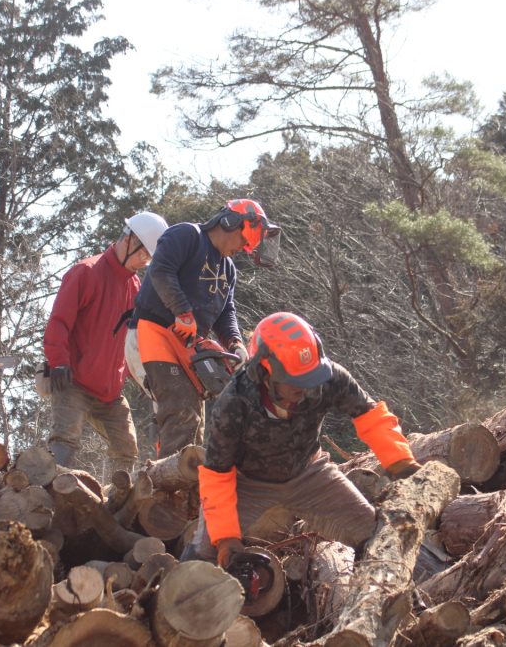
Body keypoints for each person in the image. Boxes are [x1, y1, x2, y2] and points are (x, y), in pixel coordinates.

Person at [188, 312, 421, 568]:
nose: (305, 387)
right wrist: (225, 538)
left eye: (310, 378)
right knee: (203, 556)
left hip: (310, 474)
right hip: (248, 484)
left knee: (375, 534)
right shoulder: (234, 402)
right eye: (295, 381)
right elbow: (217, 473)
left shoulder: (330, 378)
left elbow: (369, 414)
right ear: (264, 370)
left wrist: (400, 462)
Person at [131, 199, 279, 458]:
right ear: (230, 223)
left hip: (187, 342)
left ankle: (182, 474)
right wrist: (182, 311)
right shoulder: (187, 235)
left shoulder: (228, 269)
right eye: (243, 241)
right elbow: (162, 271)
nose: (241, 249)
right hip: (154, 330)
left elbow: (226, 311)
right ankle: (167, 479)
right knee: (180, 407)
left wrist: (234, 341)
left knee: (194, 418)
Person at [44, 212, 168, 473]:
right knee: (64, 442)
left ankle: (116, 498)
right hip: (73, 381)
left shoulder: (136, 288)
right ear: (130, 239)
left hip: (110, 392)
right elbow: (58, 323)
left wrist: (145, 377)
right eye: (144, 253)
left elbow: (135, 342)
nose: (145, 261)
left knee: (127, 450)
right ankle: (45, 495)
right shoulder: (86, 272)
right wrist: (58, 363)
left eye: (149, 257)